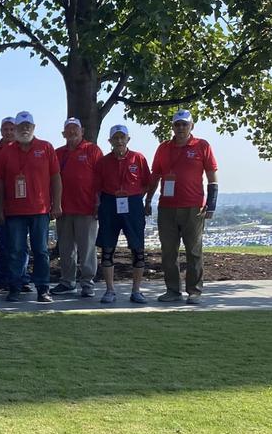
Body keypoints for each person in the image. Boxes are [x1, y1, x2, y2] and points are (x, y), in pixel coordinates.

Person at [146, 110, 218, 304]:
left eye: (184, 124)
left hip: (193, 207)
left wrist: (211, 204)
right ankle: (172, 290)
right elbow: (155, 176)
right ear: (172, 127)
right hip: (167, 207)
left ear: (191, 126)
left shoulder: (202, 146)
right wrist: (147, 200)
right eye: (177, 124)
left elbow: (212, 177)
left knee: (193, 251)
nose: (180, 128)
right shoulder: (163, 148)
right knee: (169, 251)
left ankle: (194, 291)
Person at [0, 111, 62, 303]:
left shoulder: (46, 147)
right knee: (15, 250)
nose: (25, 129)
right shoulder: (6, 151)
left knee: (41, 250)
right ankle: (15, 287)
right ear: (14, 128)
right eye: (21, 126)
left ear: (34, 128)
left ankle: (43, 289)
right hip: (14, 211)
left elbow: (56, 178)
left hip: (40, 210)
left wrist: (56, 204)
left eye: (28, 126)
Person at [94, 125, 151, 304]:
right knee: (107, 249)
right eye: (115, 138)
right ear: (110, 141)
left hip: (132, 203)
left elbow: (147, 183)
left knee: (138, 249)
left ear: (128, 139)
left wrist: (137, 198)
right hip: (109, 203)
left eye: (122, 137)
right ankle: (110, 290)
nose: (119, 141)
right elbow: (96, 187)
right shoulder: (103, 162)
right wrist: (97, 205)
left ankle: (136, 290)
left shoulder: (138, 158)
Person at [51, 118, 103, 297]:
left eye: (76, 129)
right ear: (63, 133)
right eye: (69, 129)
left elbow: (101, 179)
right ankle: (67, 281)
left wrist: (98, 203)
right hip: (63, 209)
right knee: (66, 249)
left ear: (83, 131)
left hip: (87, 209)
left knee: (87, 249)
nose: (72, 132)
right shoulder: (57, 153)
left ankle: (87, 283)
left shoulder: (93, 150)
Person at [0, 117, 29, 293]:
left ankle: (22, 278)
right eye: (6, 129)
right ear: (1, 131)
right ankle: (3, 278)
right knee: (3, 244)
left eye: (12, 129)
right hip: (0, 205)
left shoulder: (26, 147)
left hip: (22, 205)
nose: (9, 132)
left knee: (21, 245)